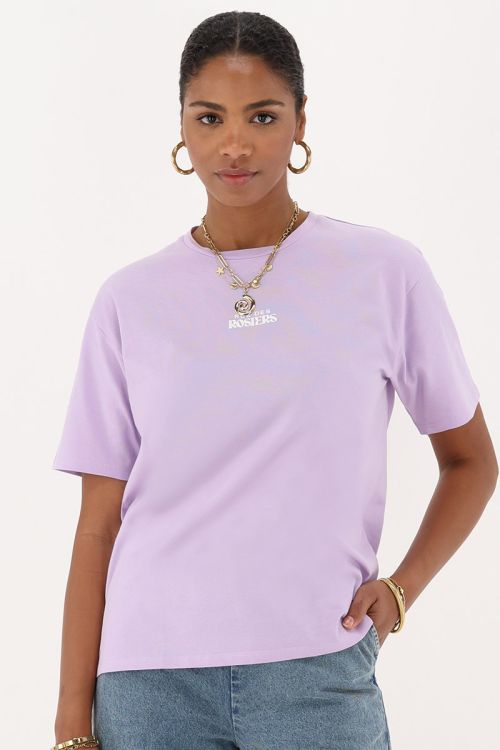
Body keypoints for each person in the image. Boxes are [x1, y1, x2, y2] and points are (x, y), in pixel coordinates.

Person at [50, 10, 498, 750]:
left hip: (318, 670)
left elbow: (471, 460)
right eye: (210, 117)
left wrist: (401, 590)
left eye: (262, 116)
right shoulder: (129, 300)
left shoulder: (384, 273)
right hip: (148, 683)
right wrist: (72, 721)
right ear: (182, 127)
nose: (234, 145)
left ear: (300, 122)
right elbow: (99, 522)